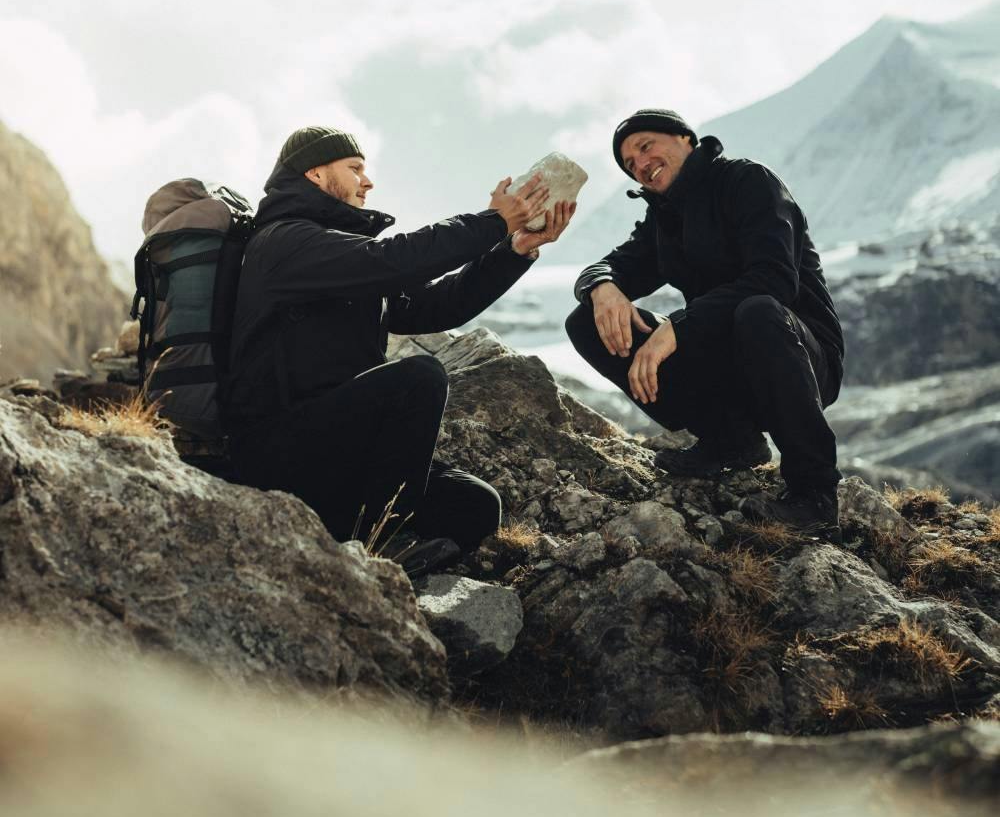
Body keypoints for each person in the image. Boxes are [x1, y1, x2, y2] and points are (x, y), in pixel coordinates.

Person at [226, 126, 574, 577]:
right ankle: (383, 546)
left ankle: (356, 534)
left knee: (476, 506)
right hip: (275, 449)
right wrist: (491, 222)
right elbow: (394, 259)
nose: (367, 183)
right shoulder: (285, 241)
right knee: (419, 378)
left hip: (332, 449)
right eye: (354, 169)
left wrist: (514, 249)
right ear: (313, 173)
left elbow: (439, 306)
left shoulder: (336, 258)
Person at [565, 109, 844, 537]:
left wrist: (676, 328)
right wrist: (601, 286)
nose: (641, 165)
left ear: (685, 139)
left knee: (758, 311)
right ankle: (730, 440)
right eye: (630, 166)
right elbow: (611, 266)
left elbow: (772, 279)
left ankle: (814, 494)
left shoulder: (747, 181)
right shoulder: (663, 218)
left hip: (799, 356)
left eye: (645, 147)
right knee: (587, 321)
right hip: (728, 367)